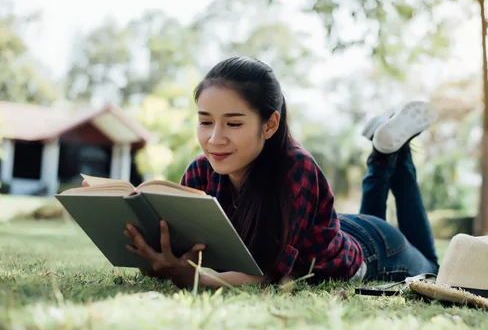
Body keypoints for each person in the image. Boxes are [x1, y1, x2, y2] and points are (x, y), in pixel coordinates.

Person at [121, 56, 439, 289]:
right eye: (205, 121)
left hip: (372, 251)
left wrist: (197, 279)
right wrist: (154, 256)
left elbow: (268, 276)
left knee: (432, 266)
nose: (214, 139)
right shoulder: (201, 172)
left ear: (270, 124)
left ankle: (392, 153)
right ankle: (386, 152)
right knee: (377, 207)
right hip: (333, 231)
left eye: (233, 123)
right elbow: (181, 253)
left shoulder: (295, 168)